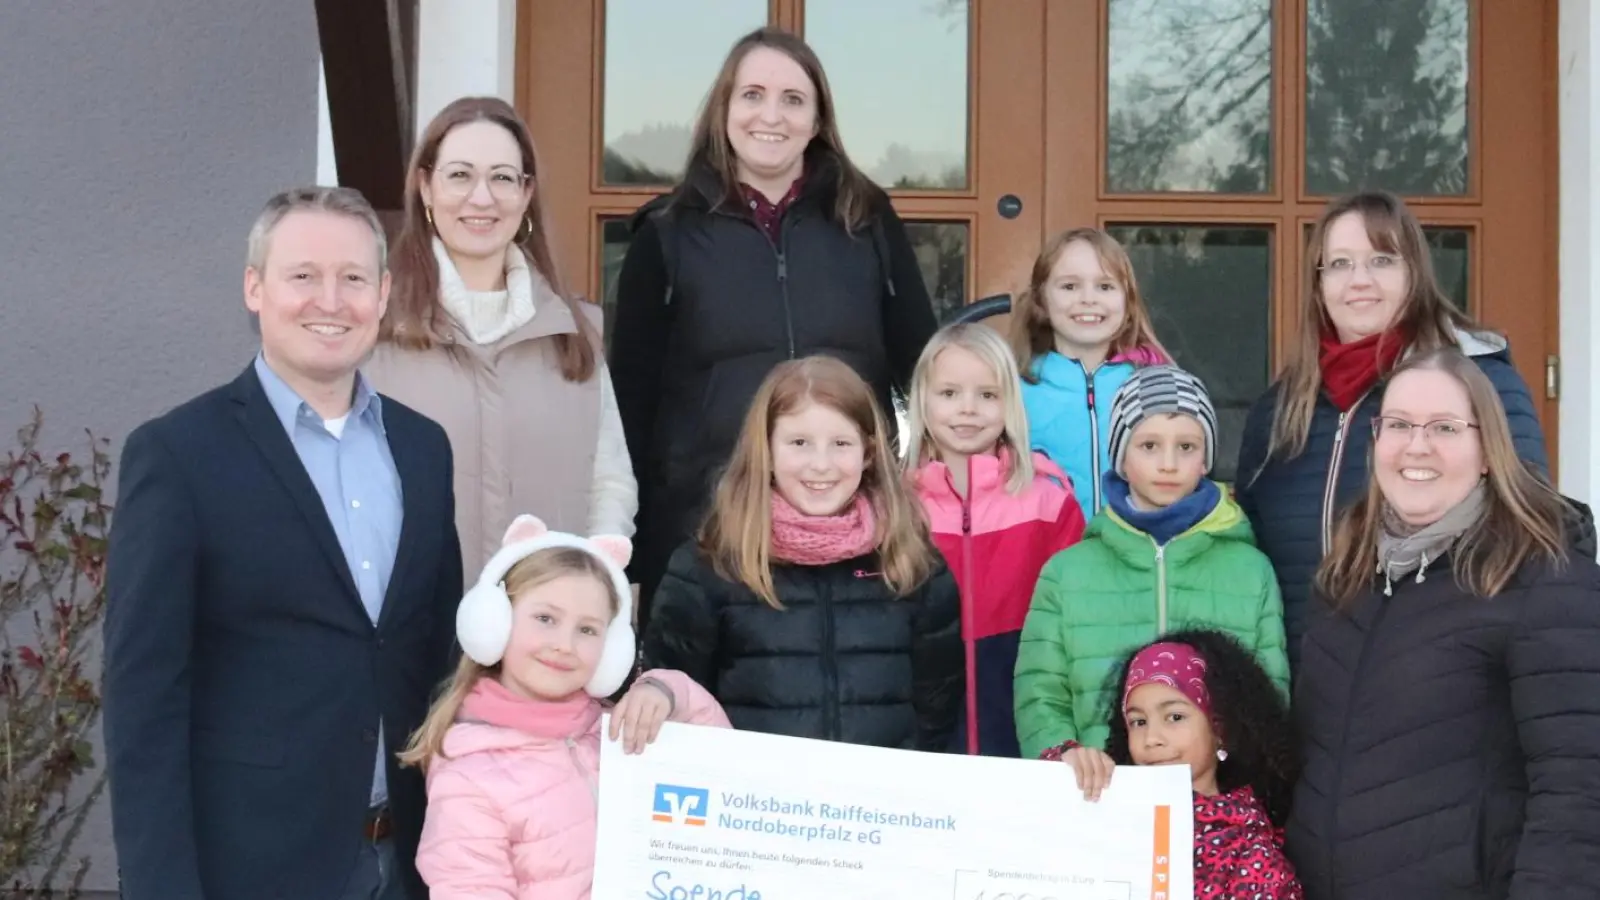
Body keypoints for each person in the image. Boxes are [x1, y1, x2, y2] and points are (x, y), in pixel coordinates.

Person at [103, 187, 463, 900]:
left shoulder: (424, 449)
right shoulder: (177, 456)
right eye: (303, 276)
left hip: (410, 862)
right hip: (250, 871)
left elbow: (441, 664)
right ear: (254, 288)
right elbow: (144, 699)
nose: (330, 300)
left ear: (384, 294)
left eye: (354, 278)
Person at [610, 26, 938, 625]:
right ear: (724, 111)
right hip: (706, 538)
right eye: (752, 94)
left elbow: (925, 370)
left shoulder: (865, 220)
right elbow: (628, 407)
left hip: (851, 535)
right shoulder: (666, 234)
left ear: (817, 121)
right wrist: (631, 558)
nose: (772, 115)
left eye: (793, 100)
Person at [1286, 348, 1600, 900]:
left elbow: (1578, 792)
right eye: (1399, 425)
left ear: (1487, 451)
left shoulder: (1547, 581)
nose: (1417, 445)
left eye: (1445, 428)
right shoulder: (1344, 580)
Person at [1235, 191, 1547, 673]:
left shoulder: (1481, 382)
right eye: (1339, 264)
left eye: (1381, 260)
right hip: (1301, 690)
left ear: (1414, 274)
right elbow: (1247, 552)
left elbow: (1527, 529)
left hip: (1435, 687)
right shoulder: (1278, 411)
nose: (1359, 280)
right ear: (1318, 284)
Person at [365, 96, 635, 576]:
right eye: (460, 175)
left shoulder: (576, 334)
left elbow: (609, 483)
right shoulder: (376, 330)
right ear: (425, 186)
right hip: (412, 635)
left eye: (503, 177)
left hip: (543, 635)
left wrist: (591, 582)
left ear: (526, 193)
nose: (482, 198)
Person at [641, 355, 962, 750]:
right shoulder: (711, 566)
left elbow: (939, 704)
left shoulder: (912, 561)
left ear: (868, 452)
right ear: (767, 450)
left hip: (880, 801)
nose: (821, 465)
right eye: (799, 443)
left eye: (841, 443)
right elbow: (674, 695)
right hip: (751, 802)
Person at [407, 515, 730, 898]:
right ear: (493, 622)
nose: (565, 644)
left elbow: (725, 761)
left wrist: (666, 692)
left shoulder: (615, 731)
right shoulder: (469, 779)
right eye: (545, 618)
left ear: (613, 649)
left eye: (588, 630)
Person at [1014, 366, 1289, 759]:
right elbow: (1039, 690)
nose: (1168, 464)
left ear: (1206, 460)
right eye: (1148, 446)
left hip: (1216, 799)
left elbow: (1270, 692)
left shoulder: (1250, 570)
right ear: (1121, 459)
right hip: (1099, 795)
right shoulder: (1066, 573)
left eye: (1187, 447)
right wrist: (1065, 753)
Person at [904, 323, 1085, 757]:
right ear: (922, 402)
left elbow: (1074, 626)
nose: (968, 409)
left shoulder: (1048, 501)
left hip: (1021, 727)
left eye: (987, 395)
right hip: (922, 737)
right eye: (949, 394)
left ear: (1010, 404)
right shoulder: (894, 507)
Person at [1050, 630, 1303, 900]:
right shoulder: (1110, 805)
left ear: (1221, 729)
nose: (1152, 739)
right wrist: (1064, 767)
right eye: (1139, 721)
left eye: (1174, 716)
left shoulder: (1253, 859)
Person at [1009, 227, 1171, 521]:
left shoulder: (1155, 388)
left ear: (1128, 304)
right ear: (1041, 301)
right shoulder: (1012, 389)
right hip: (1044, 561)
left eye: (1105, 287)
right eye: (1069, 286)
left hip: (1135, 557)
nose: (1088, 299)